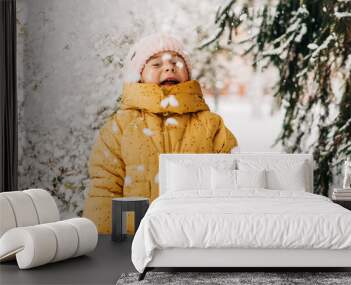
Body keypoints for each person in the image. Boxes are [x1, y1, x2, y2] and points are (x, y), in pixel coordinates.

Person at [83, 33, 238, 234]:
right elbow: (104, 188)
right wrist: (104, 242)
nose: (169, 67)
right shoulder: (120, 127)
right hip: (136, 237)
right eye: (156, 64)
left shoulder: (211, 125)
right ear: (139, 76)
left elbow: (232, 182)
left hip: (197, 235)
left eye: (176, 62)